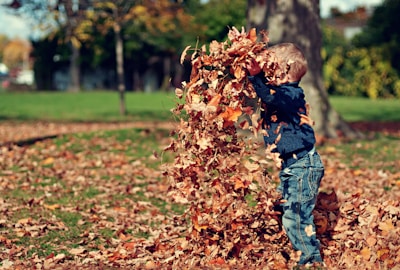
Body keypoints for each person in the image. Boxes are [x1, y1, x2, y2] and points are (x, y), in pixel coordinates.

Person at [247, 43, 325, 267]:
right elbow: (264, 93)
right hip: (292, 167)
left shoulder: (291, 94)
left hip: (303, 166)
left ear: (281, 70)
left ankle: (311, 259)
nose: (266, 74)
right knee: (282, 207)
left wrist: (256, 77)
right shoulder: (280, 93)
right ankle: (290, 245)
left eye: (270, 69)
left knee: (296, 216)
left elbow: (271, 97)